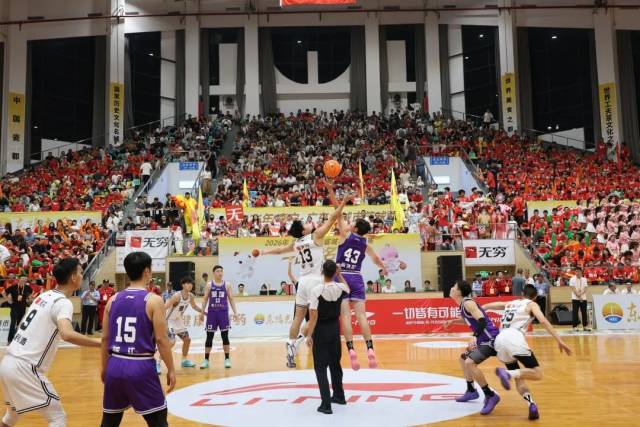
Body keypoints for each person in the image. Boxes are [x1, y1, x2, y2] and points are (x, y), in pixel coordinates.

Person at [0, 258, 100, 427]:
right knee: (57, 418)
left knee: (12, 415)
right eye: (81, 272)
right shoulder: (63, 302)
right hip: (25, 368)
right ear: (73, 277)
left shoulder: (44, 295)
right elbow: (67, 334)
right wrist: (100, 343)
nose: (82, 276)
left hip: (7, 363)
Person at [261, 190, 349, 368]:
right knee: (318, 315)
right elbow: (333, 217)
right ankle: (301, 339)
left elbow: (279, 251)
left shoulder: (296, 244)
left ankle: (291, 344)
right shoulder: (315, 236)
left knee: (297, 317)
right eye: (306, 223)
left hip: (302, 282)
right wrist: (343, 202)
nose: (309, 223)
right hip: (316, 282)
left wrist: (264, 251)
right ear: (303, 230)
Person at [100, 252, 176, 427]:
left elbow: (105, 338)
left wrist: (104, 367)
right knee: (158, 420)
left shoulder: (113, 299)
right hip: (140, 366)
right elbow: (161, 340)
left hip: (114, 364)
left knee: (110, 421)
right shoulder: (154, 300)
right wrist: (171, 369)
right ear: (147, 271)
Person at [485, 284, 572, 420]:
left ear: (522, 293)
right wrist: (559, 340)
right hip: (514, 337)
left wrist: (482, 307)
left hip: (500, 340)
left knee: (519, 377)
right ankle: (507, 374)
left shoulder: (512, 303)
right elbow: (543, 320)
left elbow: (493, 305)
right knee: (537, 374)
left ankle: (531, 404)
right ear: (535, 297)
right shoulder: (532, 304)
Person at [329, 181, 387, 371]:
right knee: (361, 316)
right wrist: (384, 268)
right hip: (356, 277)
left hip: (341, 277)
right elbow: (376, 260)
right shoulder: (365, 244)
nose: (350, 224)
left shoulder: (345, 236)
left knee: (345, 317)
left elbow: (337, 213)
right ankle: (370, 349)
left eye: (352, 224)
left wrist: (336, 195)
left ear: (354, 229)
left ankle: (351, 350)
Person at [443, 280, 501, 415]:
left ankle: (490, 395)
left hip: (491, 339)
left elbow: (482, 321)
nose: (451, 288)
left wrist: (474, 336)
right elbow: (469, 319)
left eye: (454, 286)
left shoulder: (468, 303)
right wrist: (453, 321)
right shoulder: (463, 304)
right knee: (463, 358)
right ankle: (471, 391)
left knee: (470, 363)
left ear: (459, 292)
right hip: (483, 339)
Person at [305, 260, 350, 415]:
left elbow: (313, 316)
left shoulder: (316, 290)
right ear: (334, 272)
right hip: (335, 329)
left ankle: (326, 405)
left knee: (320, 367)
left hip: (321, 331)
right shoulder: (340, 287)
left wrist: (309, 335)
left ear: (322, 272)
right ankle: (339, 396)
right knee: (335, 364)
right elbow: (348, 288)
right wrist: (340, 275)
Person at [199, 265, 238, 369]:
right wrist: (202, 313)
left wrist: (235, 313)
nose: (220, 273)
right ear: (214, 273)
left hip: (223, 313)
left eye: (221, 271)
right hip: (212, 313)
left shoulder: (227, 284)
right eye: (218, 271)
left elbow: (231, 299)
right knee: (209, 336)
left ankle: (227, 359)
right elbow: (205, 299)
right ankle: (206, 360)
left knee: (225, 336)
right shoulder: (209, 285)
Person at [162, 277, 204, 370]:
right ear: (183, 285)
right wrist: (161, 320)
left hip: (178, 320)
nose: (190, 285)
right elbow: (165, 307)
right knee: (171, 342)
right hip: (169, 320)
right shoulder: (177, 296)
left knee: (187, 340)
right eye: (187, 283)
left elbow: (194, 306)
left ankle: (184, 361)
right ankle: (158, 362)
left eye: (191, 283)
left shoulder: (191, 296)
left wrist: (203, 312)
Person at [5, 276, 33, 345]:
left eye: (25, 280)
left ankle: (16, 340)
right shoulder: (14, 287)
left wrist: (29, 298)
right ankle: (10, 340)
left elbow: (31, 294)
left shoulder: (27, 287)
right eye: (22, 279)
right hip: (14, 308)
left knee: (20, 325)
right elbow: (4, 292)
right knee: (13, 324)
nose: (23, 281)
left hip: (22, 308)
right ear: (19, 280)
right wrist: (8, 300)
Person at [569, 268, 591, 332]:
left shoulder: (584, 279)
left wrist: (580, 295)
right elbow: (573, 288)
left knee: (584, 312)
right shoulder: (572, 279)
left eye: (578, 271)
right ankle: (574, 327)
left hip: (583, 298)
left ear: (581, 272)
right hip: (575, 298)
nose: (577, 273)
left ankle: (585, 326)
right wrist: (578, 295)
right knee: (575, 312)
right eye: (576, 271)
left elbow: (585, 288)